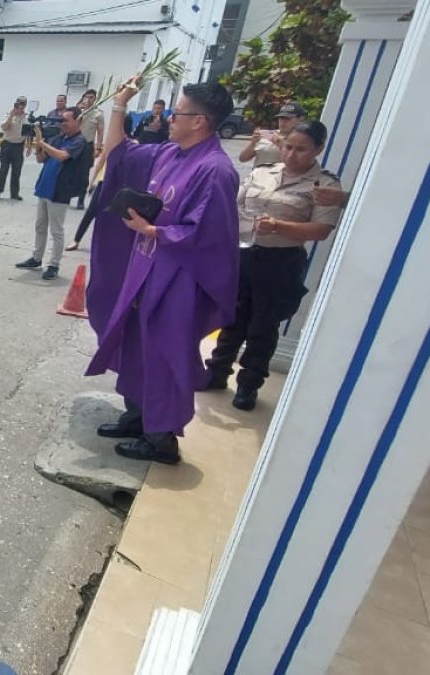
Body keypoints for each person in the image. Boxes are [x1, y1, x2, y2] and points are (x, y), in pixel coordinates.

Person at [85, 79, 240, 465]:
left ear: (199, 121)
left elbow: (209, 236)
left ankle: (161, 439)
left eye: (177, 112)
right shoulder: (171, 153)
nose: (170, 118)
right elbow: (119, 154)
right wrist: (120, 105)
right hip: (146, 268)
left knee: (163, 353)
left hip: (178, 280)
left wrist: (152, 230)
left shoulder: (215, 170)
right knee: (135, 343)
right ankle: (140, 417)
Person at [206, 121, 342, 411]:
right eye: (288, 147)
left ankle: (248, 385)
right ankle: (216, 371)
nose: (291, 154)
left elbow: (321, 230)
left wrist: (279, 226)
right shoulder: (263, 172)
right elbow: (235, 206)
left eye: (301, 149)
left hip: (281, 261)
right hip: (244, 255)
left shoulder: (325, 185)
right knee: (232, 318)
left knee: (263, 326)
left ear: (318, 149)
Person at [16, 107, 87, 281]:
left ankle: (54, 264)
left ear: (78, 121)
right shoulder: (58, 138)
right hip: (45, 187)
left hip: (60, 191)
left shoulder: (79, 141)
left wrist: (42, 142)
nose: (62, 124)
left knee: (56, 230)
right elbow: (40, 159)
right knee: (40, 226)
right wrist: (39, 142)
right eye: (61, 120)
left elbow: (62, 156)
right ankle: (36, 258)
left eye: (66, 120)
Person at [65, 147, 109, 252]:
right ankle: (76, 240)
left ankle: (104, 244)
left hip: (120, 184)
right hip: (103, 181)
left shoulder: (133, 145)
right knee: (91, 211)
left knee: (109, 215)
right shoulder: (111, 144)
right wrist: (92, 181)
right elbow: (100, 163)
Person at [239, 101, 306, 167]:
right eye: (281, 118)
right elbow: (242, 159)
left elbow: (302, 165)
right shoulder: (267, 135)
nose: (283, 121)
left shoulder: (304, 140)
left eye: (288, 118)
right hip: (258, 173)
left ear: (300, 119)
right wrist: (252, 144)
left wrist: (282, 145)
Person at [0, 96, 30, 201]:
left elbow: (28, 132)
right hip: (7, 145)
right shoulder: (8, 115)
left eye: (23, 104)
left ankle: (14, 193)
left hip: (19, 146)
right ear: (16, 104)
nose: (21, 106)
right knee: (3, 170)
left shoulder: (26, 118)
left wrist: (29, 146)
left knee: (16, 171)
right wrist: (11, 116)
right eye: (19, 103)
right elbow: (4, 127)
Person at [75, 89, 104, 210]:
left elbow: (100, 132)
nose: (88, 100)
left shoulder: (98, 114)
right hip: (74, 143)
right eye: (86, 97)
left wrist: (98, 148)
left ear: (95, 99)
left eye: (91, 97)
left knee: (84, 173)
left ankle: (80, 200)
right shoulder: (77, 111)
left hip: (87, 145)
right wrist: (79, 110)